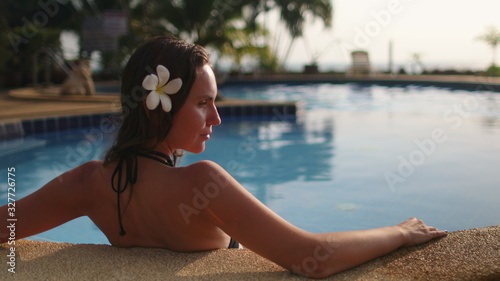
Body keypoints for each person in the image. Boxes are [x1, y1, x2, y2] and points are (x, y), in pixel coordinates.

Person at [0, 36, 447, 278]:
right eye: (202, 103)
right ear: (162, 107)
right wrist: (399, 232)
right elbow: (313, 257)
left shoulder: (89, 183)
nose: (216, 117)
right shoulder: (201, 184)